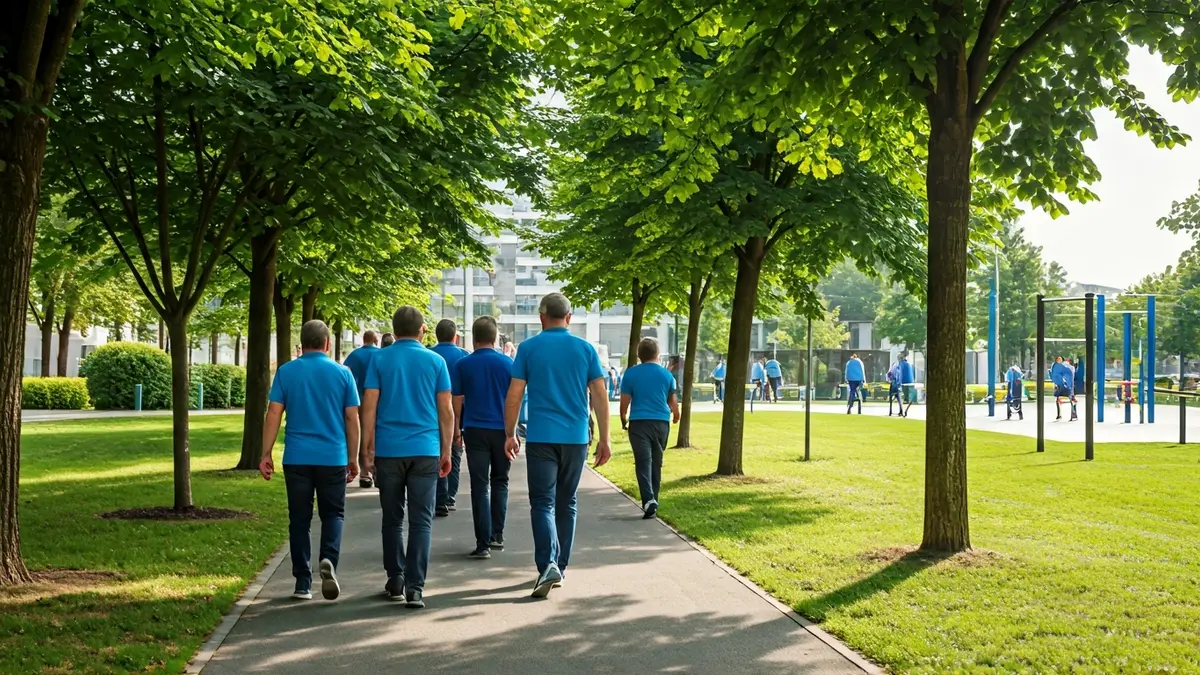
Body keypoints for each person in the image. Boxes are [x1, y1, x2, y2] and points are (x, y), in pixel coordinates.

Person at [504, 292, 610, 598]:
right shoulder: (585, 349)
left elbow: (514, 395)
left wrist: (509, 432)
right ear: (569, 318)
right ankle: (560, 567)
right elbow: (600, 396)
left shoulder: (528, 349)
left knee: (542, 502)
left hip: (541, 436)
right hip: (576, 437)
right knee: (567, 502)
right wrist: (605, 438)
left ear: (541, 317)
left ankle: (547, 563)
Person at [258, 320, 360, 601]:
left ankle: (302, 582)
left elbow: (274, 413)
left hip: (297, 457)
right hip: (333, 457)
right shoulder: (343, 374)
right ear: (328, 344)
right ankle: (328, 561)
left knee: (299, 519)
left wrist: (266, 453)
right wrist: (354, 458)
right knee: (333, 514)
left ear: (301, 344)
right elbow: (352, 418)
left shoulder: (286, 372)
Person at [361, 306, 453, 609]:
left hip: (389, 450)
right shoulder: (436, 361)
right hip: (426, 449)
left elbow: (369, 408)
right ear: (423, 330)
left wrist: (367, 449)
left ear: (394, 329)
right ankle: (416, 588)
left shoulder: (379, 359)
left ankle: (395, 578)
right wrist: (446, 449)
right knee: (421, 521)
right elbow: (446, 411)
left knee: (392, 518)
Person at [453, 316, 514, 559]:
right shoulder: (508, 364)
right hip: (502, 430)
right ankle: (497, 534)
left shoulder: (462, 365)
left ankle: (482, 543)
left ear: (474, 338)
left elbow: (457, 399)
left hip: (475, 429)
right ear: (495, 336)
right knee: (500, 481)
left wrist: (457, 428)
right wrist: (514, 431)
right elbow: (515, 399)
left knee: (480, 486)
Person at [620, 338, 680, 519]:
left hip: (639, 423)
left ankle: (648, 499)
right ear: (658, 354)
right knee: (656, 461)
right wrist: (676, 416)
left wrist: (623, 419)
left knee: (642, 462)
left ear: (639, 355)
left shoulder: (631, 374)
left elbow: (624, 403)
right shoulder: (667, 375)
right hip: (661, 423)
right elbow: (673, 402)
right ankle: (653, 499)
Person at [431, 319, 469, 517]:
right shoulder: (464, 356)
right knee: (454, 452)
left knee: (436, 452)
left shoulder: (429, 354)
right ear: (456, 337)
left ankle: (439, 496)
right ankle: (449, 496)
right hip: (458, 413)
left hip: (431, 411)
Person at [342, 330, 381, 488]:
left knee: (357, 435)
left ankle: (363, 472)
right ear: (375, 340)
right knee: (374, 436)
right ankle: (375, 470)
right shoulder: (380, 355)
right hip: (377, 400)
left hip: (356, 400)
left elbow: (345, 375)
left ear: (364, 339)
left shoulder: (354, 355)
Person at [1050, 356, 1077, 421]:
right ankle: (1071, 414)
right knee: (1067, 400)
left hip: (1064, 386)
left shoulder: (1064, 367)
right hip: (1064, 387)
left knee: (1065, 400)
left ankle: (1068, 414)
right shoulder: (1064, 367)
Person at [897, 352, 916, 417]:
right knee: (909, 394)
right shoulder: (909, 364)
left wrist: (898, 381)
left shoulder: (900, 364)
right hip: (910, 381)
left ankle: (903, 408)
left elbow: (899, 374)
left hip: (903, 382)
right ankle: (908, 403)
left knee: (903, 394)